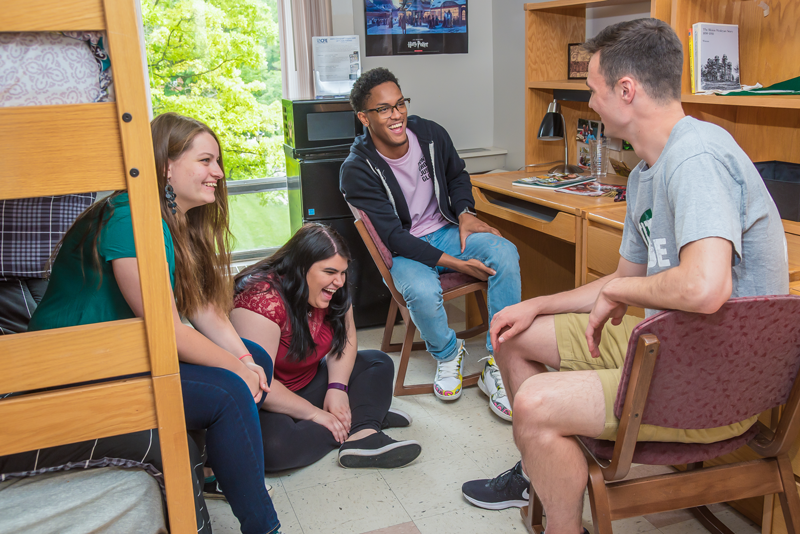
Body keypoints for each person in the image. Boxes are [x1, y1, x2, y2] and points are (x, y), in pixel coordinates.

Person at [461, 18, 789, 534]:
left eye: (592, 89)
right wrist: (538, 304)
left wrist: (620, 290)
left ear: (626, 90)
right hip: (666, 344)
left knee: (535, 404)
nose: (589, 102)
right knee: (511, 332)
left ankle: (559, 517)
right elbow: (625, 277)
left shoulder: (696, 157)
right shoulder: (645, 172)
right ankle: (541, 470)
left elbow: (706, 288)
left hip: (719, 381)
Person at [11, 112, 281, 534]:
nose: (219, 173)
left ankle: (219, 467)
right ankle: (264, 526)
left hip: (122, 357)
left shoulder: (175, 223)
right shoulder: (132, 219)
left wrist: (246, 359)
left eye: (218, 162)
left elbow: (204, 310)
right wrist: (236, 370)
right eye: (206, 161)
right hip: (76, 370)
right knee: (229, 391)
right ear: (165, 166)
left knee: (257, 358)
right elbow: (168, 331)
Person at [340, 67, 521, 421]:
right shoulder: (357, 169)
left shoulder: (431, 134)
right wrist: (456, 264)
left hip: (446, 230)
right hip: (405, 248)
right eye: (383, 109)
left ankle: (498, 364)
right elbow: (393, 237)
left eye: (400, 103)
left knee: (505, 253)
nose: (396, 115)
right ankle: (448, 353)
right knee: (421, 291)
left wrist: (466, 212)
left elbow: (457, 175)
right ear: (364, 117)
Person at [230, 223, 422, 470]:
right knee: (274, 448)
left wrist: (338, 387)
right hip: (267, 398)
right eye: (330, 271)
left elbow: (346, 339)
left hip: (308, 382)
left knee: (378, 362)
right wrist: (315, 414)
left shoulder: (333, 288)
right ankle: (362, 419)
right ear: (300, 268)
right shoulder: (261, 299)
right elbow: (259, 382)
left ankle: (364, 432)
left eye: (343, 272)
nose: (339, 281)